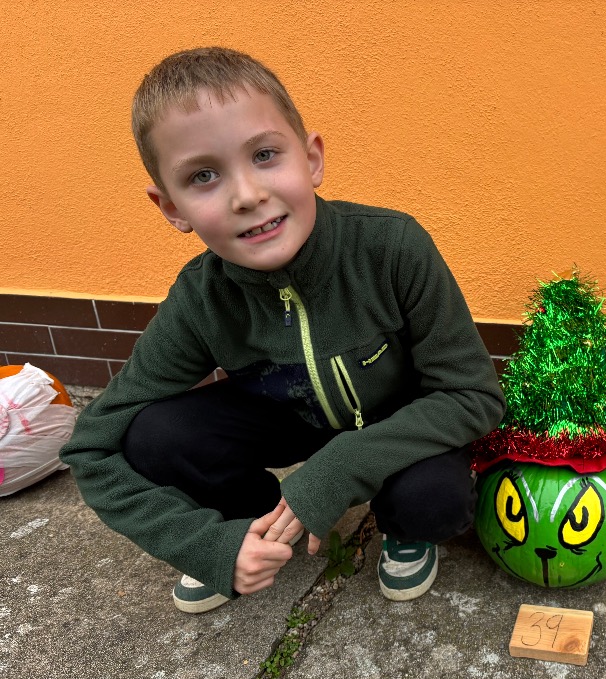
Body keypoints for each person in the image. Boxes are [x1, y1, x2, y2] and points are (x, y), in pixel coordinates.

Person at [60, 47, 504, 614]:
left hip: (395, 427)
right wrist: (201, 544)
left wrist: (337, 470)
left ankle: (402, 527)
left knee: (433, 498)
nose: (247, 195)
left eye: (265, 155)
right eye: (203, 176)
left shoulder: (392, 247)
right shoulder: (200, 298)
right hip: (291, 422)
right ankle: (254, 528)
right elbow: (91, 446)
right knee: (153, 434)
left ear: (312, 159)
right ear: (172, 208)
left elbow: (473, 397)